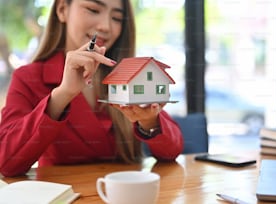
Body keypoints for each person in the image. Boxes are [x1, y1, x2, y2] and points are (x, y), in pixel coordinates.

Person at [0, 0, 183, 177]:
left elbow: (172, 150)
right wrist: (62, 95)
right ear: (63, 9)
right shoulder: (28, 78)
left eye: (117, 18)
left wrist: (149, 122)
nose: (106, 26)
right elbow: (6, 162)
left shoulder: (126, 74)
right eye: (93, 9)